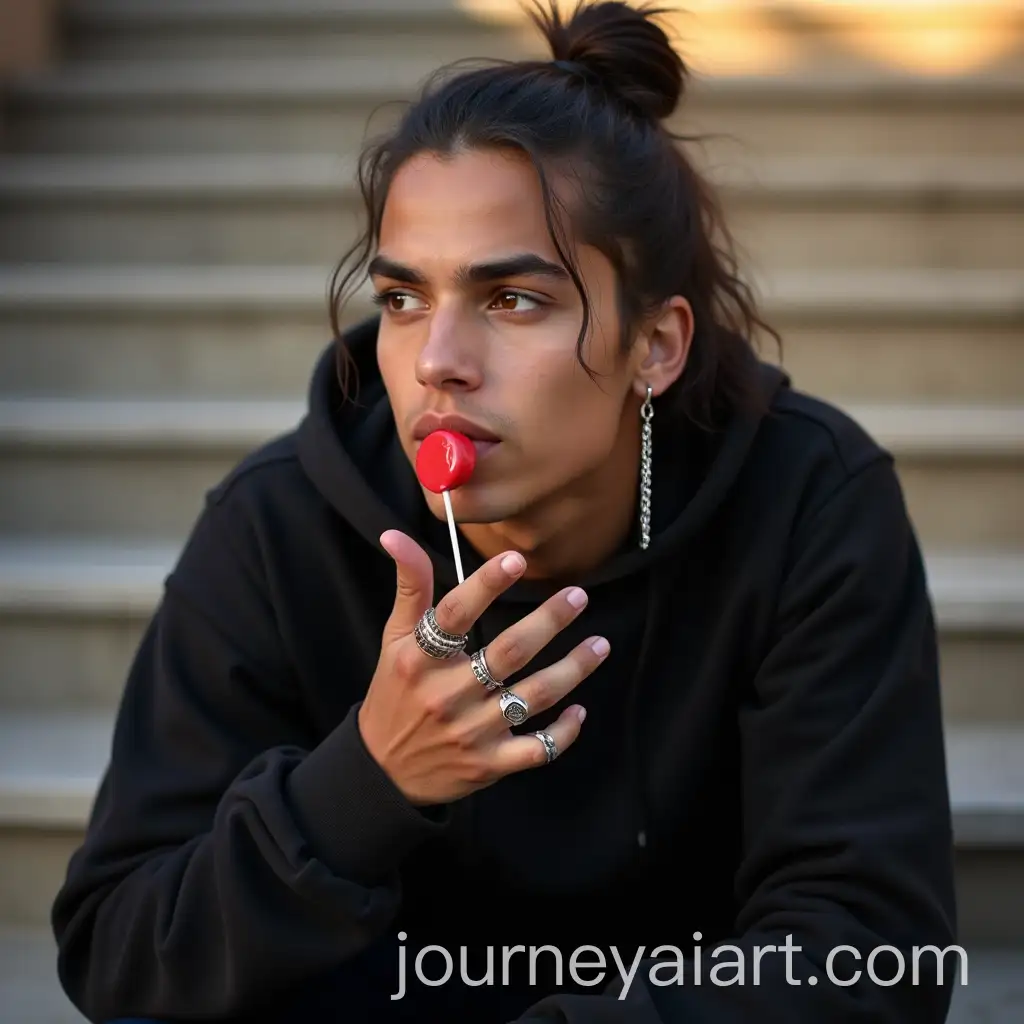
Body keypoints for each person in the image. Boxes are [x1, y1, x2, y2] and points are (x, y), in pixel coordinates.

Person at [51, 2, 958, 1022]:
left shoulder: (807, 500)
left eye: (512, 300)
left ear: (654, 345)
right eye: (402, 299)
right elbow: (121, 953)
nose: (438, 360)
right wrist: (365, 782)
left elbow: (872, 949)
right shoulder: (278, 526)